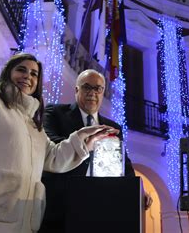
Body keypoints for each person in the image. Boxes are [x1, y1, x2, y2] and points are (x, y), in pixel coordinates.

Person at [0, 53, 117, 233]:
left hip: (19, 224)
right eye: (21, 70)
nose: (28, 76)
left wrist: (84, 139)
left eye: (34, 74)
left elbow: (53, 157)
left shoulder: (32, 122)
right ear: (8, 73)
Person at [40, 69, 152, 232]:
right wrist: (87, 143)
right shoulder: (54, 113)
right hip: (61, 205)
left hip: (100, 205)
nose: (92, 93)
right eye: (87, 87)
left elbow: (124, 165)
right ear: (76, 90)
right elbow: (52, 146)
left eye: (98, 88)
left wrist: (138, 191)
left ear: (103, 92)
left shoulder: (113, 127)